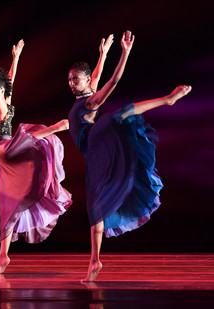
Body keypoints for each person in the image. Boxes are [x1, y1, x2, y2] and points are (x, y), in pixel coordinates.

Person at [67, 31, 192, 282]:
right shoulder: (86, 94)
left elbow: (110, 83)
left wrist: (124, 52)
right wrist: (103, 55)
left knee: (117, 115)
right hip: (93, 154)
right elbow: (98, 77)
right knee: (95, 208)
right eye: (69, 79)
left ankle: (167, 100)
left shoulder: (89, 103)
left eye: (75, 79)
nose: (71, 83)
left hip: (96, 139)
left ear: (84, 80)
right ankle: (95, 262)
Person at [0, 38, 72, 275]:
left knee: (26, 132)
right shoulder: (6, 100)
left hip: (5, 149)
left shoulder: (2, 107)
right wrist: (16, 58)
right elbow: (9, 82)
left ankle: (51, 129)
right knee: (8, 206)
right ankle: (2, 258)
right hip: (6, 163)